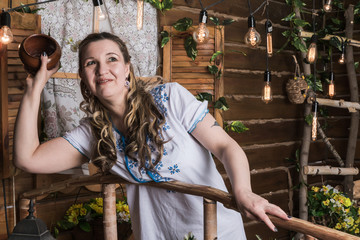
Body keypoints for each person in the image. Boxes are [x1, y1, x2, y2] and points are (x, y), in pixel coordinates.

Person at [14, 32, 289, 239]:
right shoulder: (93, 132)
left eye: (112, 59)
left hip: (216, 232)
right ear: (84, 78)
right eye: (90, 63)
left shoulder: (169, 98)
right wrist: (34, 89)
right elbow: (28, 159)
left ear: (127, 70)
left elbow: (226, 146)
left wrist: (243, 192)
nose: (102, 69)